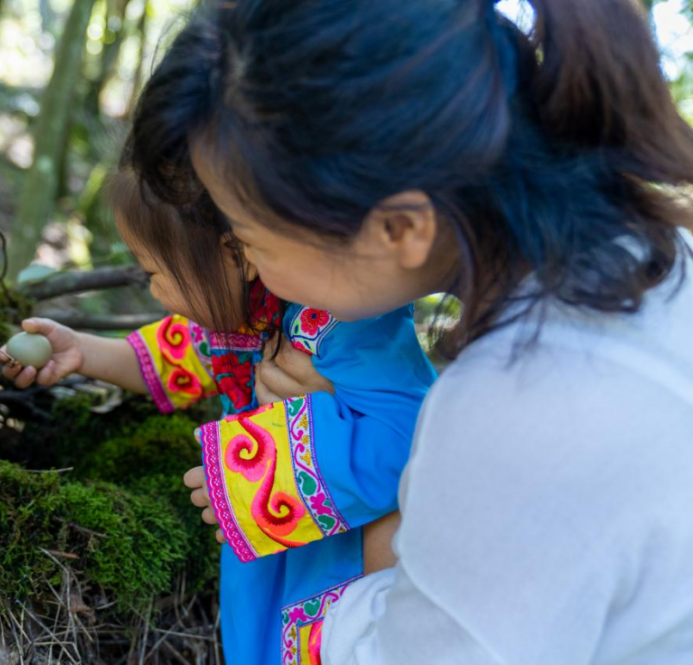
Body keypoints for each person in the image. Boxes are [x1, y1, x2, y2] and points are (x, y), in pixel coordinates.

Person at [128, 0, 693, 662]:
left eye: (248, 235)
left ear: (399, 229)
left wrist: (390, 508)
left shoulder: (513, 410)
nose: (245, 263)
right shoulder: (655, 262)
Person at [1, 167, 436, 665]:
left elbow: (409, 436)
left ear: (237, 252)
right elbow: (172, 361)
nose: (154, 291)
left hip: (348, 555)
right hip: (282, 553)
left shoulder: (346, 319)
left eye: (155, 272)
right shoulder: (241, 316)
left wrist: (257, 475)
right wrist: (81, 351)